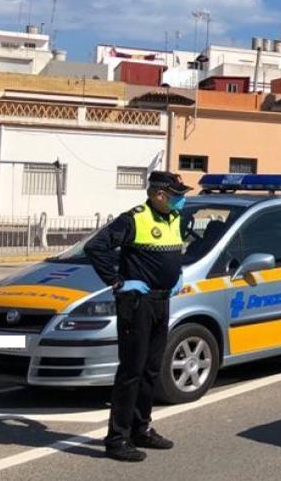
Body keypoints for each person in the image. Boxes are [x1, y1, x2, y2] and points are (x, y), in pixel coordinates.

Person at [84, 171, 192, 462]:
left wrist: (178, 272)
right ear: (159, 194)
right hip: (137, 303)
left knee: (151, 369)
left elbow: (173, 253)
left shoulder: (174, 219)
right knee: (131, 371)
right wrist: (119, 282)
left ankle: (141, 428)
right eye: (176, 195)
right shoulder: (133, 218)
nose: (181, 200)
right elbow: (95, 248)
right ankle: (117, 438)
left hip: (162, 300)